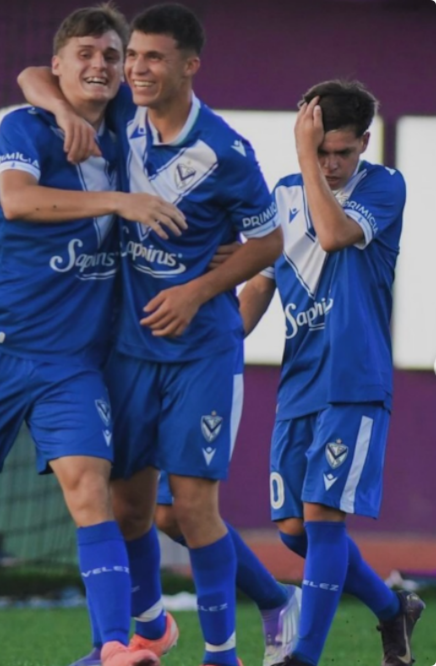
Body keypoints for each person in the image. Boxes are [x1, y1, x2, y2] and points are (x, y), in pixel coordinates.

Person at [0, 6, 198, 666]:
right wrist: (117, 199)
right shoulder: (28, 125)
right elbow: (16, 199)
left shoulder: (135, 135)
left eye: (110, 55)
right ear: (60, 65)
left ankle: (111, 647)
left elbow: (39, 75)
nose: (98, 64)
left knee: (87, 488)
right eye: (85, 54)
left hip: (72, 359)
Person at [19, 5, 287, 666]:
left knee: (193, 509)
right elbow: (30, 75)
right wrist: (61, 113)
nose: (134, 69)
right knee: (129, 507)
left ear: (188, 65)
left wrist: (196, 292)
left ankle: (221, 653)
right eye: (130, 56)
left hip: (199, 350)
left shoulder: (223, 150)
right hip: (128, 348)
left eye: (151, 58)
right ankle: (145, 631)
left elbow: (272, 241)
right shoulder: (116, 121)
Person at [238, 79, 423, 666]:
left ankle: (304, 657)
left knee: (322, 520)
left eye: (341, 151)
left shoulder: (385, 185)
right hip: (298, 385)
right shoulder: (284, 193)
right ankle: (394, 609)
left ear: (365, 142)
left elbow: (334, 233)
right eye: (321, 151)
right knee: (295, 529)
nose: (331, 162)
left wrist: (303, 159)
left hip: (354, 380)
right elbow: (261, 285)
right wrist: (214, 341)